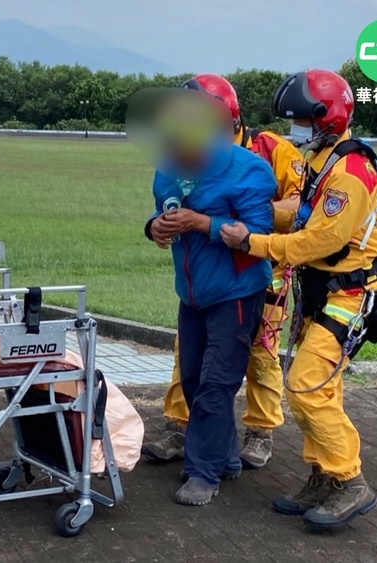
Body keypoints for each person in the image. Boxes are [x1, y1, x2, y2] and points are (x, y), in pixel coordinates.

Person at [221, 69, 377, 529]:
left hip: (350, 295)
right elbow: (300, 217)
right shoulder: (324, 160)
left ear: (326, 119)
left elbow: (316, 242)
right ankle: (323, 475)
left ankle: (350, 481)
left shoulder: (350, 174)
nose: (295, 132)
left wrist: (251, 241)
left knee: (307, 387)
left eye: (301, 122)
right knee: (320, 387)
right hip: (321, 294)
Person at [142, 74, 306, 469]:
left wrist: (211, 223)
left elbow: (300, 207)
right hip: (195, 286)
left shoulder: (263, 155)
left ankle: (234, 449)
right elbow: (164, 207)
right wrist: (155, 227)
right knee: (195, 370)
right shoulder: (174, 162)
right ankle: (215, 448)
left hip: (252, 276)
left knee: (244, 364)